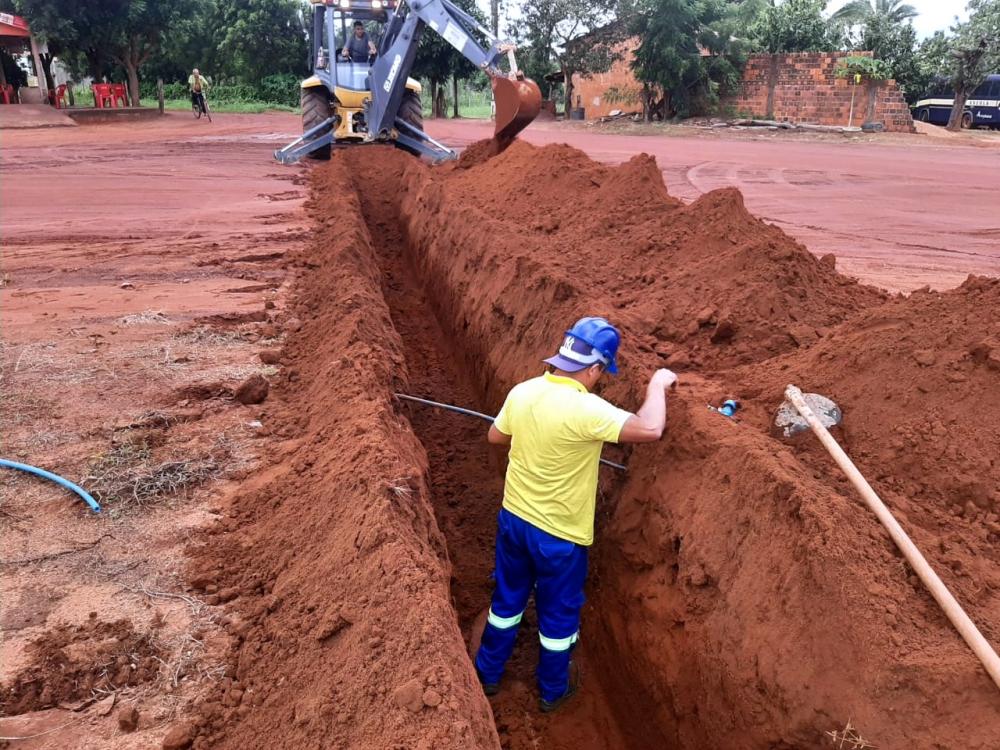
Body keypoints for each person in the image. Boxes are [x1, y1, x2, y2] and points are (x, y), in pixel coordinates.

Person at [474, 316, 677, 712]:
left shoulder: (524, 391)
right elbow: (651, 429)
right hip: (559, 537)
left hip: (514, 519)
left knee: (507, 600)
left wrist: (533, 436)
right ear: (595, 367)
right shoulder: (587, 410)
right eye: (603, 371)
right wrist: (657, 385)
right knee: (557, 617)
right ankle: (552, 691)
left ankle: (487, 674)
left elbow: (495, 436)